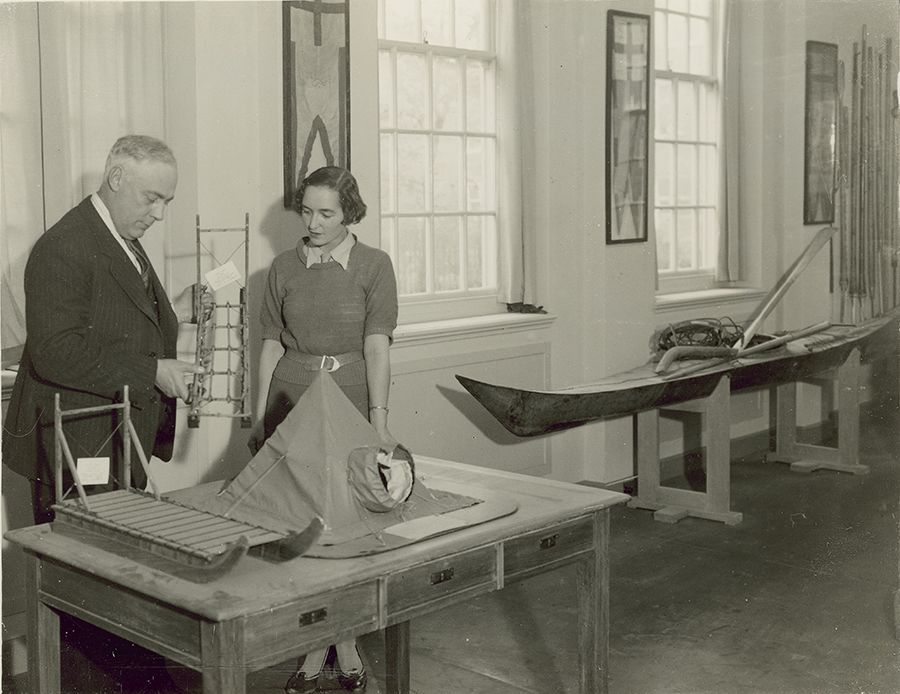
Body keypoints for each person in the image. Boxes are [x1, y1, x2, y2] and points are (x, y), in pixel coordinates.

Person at [2, 134, 206, 691]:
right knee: (85, 585)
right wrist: (153, 372)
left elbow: (128, 316)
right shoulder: (64, 246)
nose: (159, 213)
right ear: (116, 179)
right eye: (152, 198)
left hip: (115, 433)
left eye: (166, 201)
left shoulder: (121, 237)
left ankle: (134, 678)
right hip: (75, 439)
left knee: (117, 575)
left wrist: (180, 310)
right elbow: (54, 350)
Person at [252, 165, 398, 694]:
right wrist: (256, 414)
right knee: (302, 526)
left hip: (351, 398)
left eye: (327, 213)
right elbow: (270, 342)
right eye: (307, 210)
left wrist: (378, 421)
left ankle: (333, 646)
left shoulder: (374, 266)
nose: (312, 222)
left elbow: (377, 346)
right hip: (290, 396)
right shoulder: (282, 267)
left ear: (350, 213)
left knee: (348, 527)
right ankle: (328, 647)